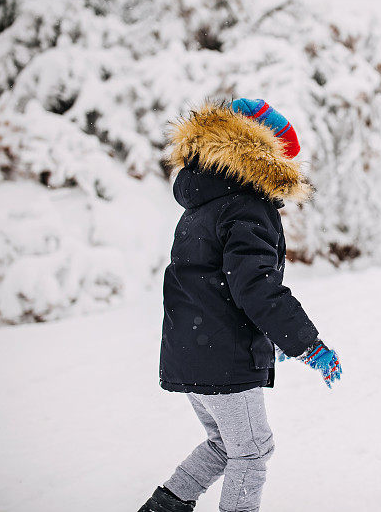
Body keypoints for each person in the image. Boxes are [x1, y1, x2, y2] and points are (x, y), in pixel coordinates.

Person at [139, 98, 342, 512]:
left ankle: (164, 507)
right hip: (223, 357)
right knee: (252, 451)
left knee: (223, 444)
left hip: (193, 350)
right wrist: (306, 344)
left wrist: (268, 336)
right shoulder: (246, 205)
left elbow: (213, 285)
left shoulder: (204, 200)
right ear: (264, 153)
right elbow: (256, 288)